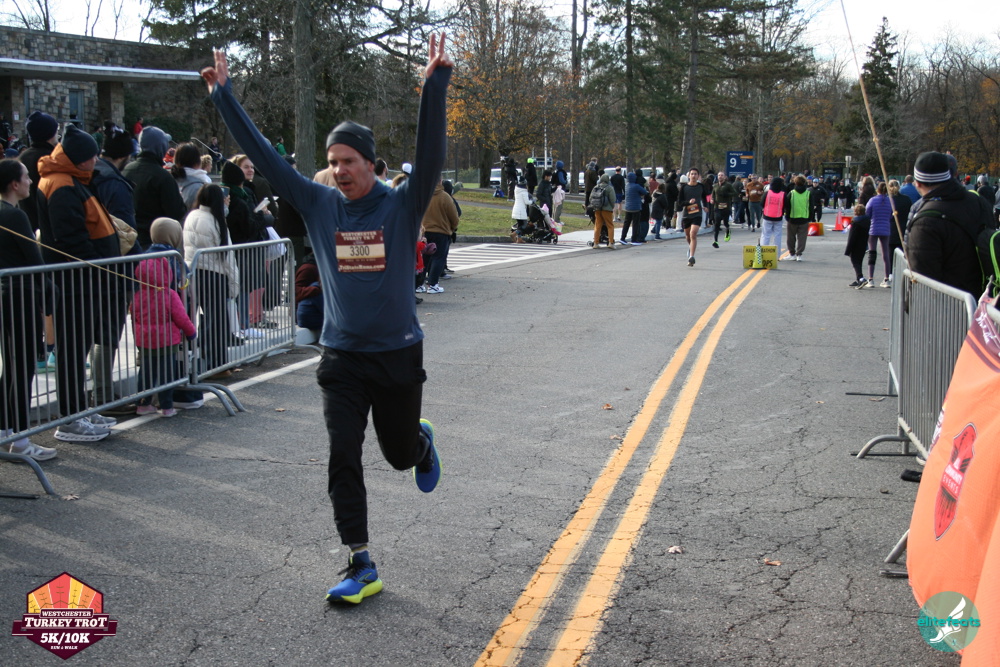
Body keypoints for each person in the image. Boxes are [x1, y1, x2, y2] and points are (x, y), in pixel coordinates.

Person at [201, 34, 448, 604]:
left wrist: (433, 87)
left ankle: (419, 442)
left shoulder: (401, 203)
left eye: (348, 162)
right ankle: (361, 562)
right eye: (332, 162)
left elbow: (432, 155)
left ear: (370, 163)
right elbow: (264, 158)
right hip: (341, 357)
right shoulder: (319, 204)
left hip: (396, 354)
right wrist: (224, 98)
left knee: (396, 455)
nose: (338, 171)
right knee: (342, 455)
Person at [37, 125, 119, 442]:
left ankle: (79, 410)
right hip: (74, 281)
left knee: (78, 349)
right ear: (78, 158)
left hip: (82, 279)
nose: (96, 160)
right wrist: (96, 263)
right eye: (91, 155)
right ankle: (70, 417)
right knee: (72, 351)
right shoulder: (61, 184)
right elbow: (69, 238)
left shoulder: (71, 179)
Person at [0, 158, 57, 460]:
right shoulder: (15, 215)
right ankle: (21, 440)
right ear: (14, 184)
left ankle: (5, 429)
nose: (30, 181)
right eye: (26, 177)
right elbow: (35, 262)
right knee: (22, 369)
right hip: (21, 296)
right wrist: (51, 296)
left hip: (6, 295)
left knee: (11, 368)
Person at [906, 151, 995, 297]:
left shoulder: (925, 222)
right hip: (985, 298)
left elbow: (922, 281)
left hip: (947, 304)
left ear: (918, 183)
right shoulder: (979, 202)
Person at [183, 184, 239, 376]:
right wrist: (234, 285)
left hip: (193, 272)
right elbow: (227, 258)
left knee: (204, 319)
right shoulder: (216, 221)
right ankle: (217, 365)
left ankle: (207, 361)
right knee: (217, 322)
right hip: (214, 274)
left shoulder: (191, 216)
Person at [132, 256, 198, 417]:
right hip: (167, 340)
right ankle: (167, 406)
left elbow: (134, 317)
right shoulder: (169, 294)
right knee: (167, 374)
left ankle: (143, 404)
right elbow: (181, 317)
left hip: (145, 340)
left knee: (146, 373)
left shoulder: (138, 295)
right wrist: (191, 332)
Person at [123, 126, 187, 248]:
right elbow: (177, 212)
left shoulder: (126, 170)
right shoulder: (162, 177)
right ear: (160, 147)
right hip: (155, 243)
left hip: (129, 240)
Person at [18, 111, 59, 232]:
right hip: (47, 226)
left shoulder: (23, 157)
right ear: (50, 133)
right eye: (56, 131)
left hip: (27, 223)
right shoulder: (51, 159)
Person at [418, 179, 459, 293]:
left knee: (424, 258)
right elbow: (454, 217)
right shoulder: (445, 197)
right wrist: (452, 228)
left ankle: (419, 284)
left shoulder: (423, 196)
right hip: (441, 231)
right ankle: (433, 284)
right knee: (438, 258)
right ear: (440, 181)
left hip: (425, 231)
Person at [863, 181, 893, 287]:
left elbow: (867, 213)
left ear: (878, 190)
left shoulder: (872, 200)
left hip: (874, 227)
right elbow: (891, 215)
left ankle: (870, 279)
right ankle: (886, 278)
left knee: (872, 253)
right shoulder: (890, 201)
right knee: (886, 254)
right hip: (885, 228)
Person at [677, 167, 707, 266]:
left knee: (693, 234)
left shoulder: (701, 186)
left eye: (695, 174)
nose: (694, 176)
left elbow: (705, 197)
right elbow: (680, 202)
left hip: (697, 214)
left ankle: (691, 257)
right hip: (687, 215)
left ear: (698, 176)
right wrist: (688, 203)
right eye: (692, 174)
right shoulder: (684, 187)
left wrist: (706, 206)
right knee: (688, 236)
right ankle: (690, 248)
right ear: (689, 176)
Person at [172, 143, 211, 210]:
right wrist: (224, 206)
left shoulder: (169, 181)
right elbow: (208, 214)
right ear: (197, 162)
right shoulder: (200, 188)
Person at [784, 175, 812, 261]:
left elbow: (787, 206)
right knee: (802, 238)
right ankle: (799, 254)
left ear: (795, 182)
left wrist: (787, 216)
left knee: (791, 237)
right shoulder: (808, 193)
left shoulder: (792, 193)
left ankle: (792, 254)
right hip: (804, 218)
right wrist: (810, 217)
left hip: (792, 218)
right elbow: (811, 206)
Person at [845, 204, 872, 288]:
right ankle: (858, 279)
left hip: (855, 245)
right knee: (859, 261)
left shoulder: (855, 223)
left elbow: (852, 237)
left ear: (856, 212)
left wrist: (848, 249)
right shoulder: (867, 221)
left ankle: (861, 278)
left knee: (855, 262)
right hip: (863, 244)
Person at [760, 176, 786, 256]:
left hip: (767, 216)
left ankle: (763, 253)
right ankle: (777, 255)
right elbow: (786, 206)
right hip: (778, 217)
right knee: (777, 236)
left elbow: (761, 203)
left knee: (765, 235)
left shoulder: (767, 193)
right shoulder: (783, 194)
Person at [589, 173, 616, 249]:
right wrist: (611, 207)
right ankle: (611, 242)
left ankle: (596, 243)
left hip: (597, 209)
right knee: (610, 226)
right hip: (607, 209)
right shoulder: (609, 188)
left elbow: (590, 198)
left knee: (597, 226)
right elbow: (613, 199)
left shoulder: (596, 187)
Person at [711, 171, 737, 248]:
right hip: (717, 207)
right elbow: (713, 195)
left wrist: (727, 194)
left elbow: (735, 193)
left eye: (722, 175)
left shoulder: (728, 185)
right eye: (719, 175)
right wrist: (712, 200)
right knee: (717, 223)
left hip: (726, 207)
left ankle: (728, 230)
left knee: (725, 222)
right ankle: (715, 241)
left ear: (725, 177)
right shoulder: (715, 186)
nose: (720, 176)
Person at [621, 171, 643, 245]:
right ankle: (634, 239)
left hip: (628, 207)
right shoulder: (636, 186)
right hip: (636, 207)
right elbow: (644, 192)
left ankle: (623, 238)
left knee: (626, 223)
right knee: (635, 224)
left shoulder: (627, 186)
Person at [510, 176, 531, 241]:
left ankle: (519, 238)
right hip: (521, 210)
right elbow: (527, 202)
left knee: (520, 225)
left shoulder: (517, 190)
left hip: (516, 209)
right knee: (524, 224)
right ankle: (514, 234)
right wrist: (532, 201)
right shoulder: (524, 192)